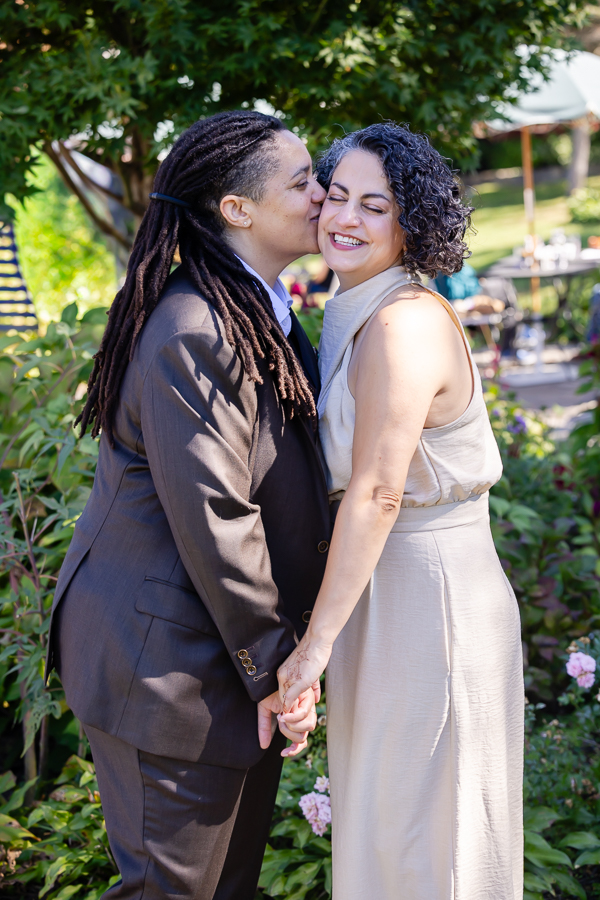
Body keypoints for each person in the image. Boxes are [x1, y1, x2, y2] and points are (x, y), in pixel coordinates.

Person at [45, 110, 331, 900]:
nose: (323, 194)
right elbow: (218, 522)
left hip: (218, 660)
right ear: (238, 210)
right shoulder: (195, 327)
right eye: (302, 182)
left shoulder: (254, 308)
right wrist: (280, 674)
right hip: (166, 670)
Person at [277, 123, 524, 900]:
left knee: (430, 840)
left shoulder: (403, 323)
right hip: (375, 588)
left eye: (374, 206)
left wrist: (311, 650)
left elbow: (380, 491)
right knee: (385, 829)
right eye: (337, 196)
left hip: (429, 595)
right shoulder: (355, 306)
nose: (345, 218)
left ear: (410, 222)